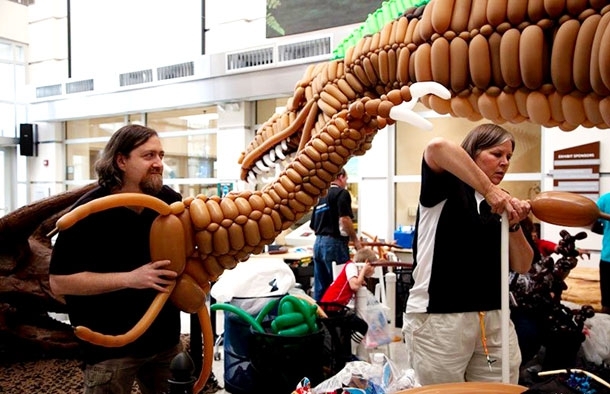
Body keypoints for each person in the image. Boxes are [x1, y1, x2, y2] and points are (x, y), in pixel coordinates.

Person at [49, 124, 184, 394]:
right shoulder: (86, 213)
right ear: (121, 160)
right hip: (109, 351)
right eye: (148, 156)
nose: (159, 163)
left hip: (166, 343)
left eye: (160, 155)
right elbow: (60, 283)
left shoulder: (170, 201)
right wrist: (131, 279)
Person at [402, 123, 533, 386]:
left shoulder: (499, 202)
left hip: (494, 319)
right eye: (496, 154)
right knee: (444, 393)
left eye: (508, 157)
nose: (505, 163)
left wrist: (515, 222)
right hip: (440, 318)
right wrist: (490, 190)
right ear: (472, 152)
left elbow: (523, 264)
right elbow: (437, 147)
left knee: (500, 390)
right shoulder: (445, 185)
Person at [310, 168, 363, 302]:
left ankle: (320, 319)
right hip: (333, 244)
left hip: (318, 244)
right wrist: (355, 241)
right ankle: (336, 320)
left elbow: (312, 225)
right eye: (346, 179)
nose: (346, 182)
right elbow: (344, 219)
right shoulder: (342, 194)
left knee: (321, 287)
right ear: (340, 176)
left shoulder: (320, 197)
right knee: (339, 284)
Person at [594, 192, 610, 314]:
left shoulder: (605, 199)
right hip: (607, 258)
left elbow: (594, 226)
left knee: (607, 306)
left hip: (607, 258)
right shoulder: (605, 199)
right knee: (607, 305)